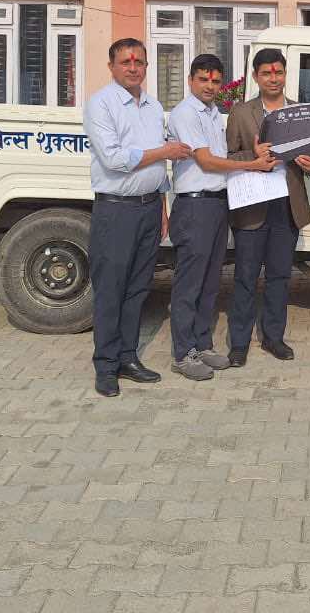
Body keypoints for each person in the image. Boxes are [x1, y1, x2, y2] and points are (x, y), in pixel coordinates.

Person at [83, 38, 193, 398]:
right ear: (112, 66)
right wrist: (164, 151)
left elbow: (157, 168)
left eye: (140, 62)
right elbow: (114, 159)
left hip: (148, 209)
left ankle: (128, 357)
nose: (133, 68)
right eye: (126, 62)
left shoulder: (153, 106)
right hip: (116, 210)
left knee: (138, 289)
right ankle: (105, 365)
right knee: (111, 290)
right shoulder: (101, 104)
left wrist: (161, 207)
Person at [167, 53, 276, 381]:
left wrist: (253, 155)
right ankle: (183, 353)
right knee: (189, 284)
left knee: (210, 282)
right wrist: (252, 164)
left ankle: (201, 345)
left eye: (215, 81)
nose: (210, 86)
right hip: (195, 206)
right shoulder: (185, 113)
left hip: (217, 204)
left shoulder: (215, 114)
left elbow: (224, 156)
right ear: (190, 80)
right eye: (203, 79)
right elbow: (207, 161)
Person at [225, 48, 310, 367]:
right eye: (266, 73)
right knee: (245, 276)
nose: (273, 78)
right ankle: (239, 343)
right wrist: (253, 158)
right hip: (252, 204)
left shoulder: (300, 113)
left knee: (279, 276)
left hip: (287, 205)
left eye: (278, 72)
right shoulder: (241, 113)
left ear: (285, 74)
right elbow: (229, 157)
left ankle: (273, 337)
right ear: (256, 76)